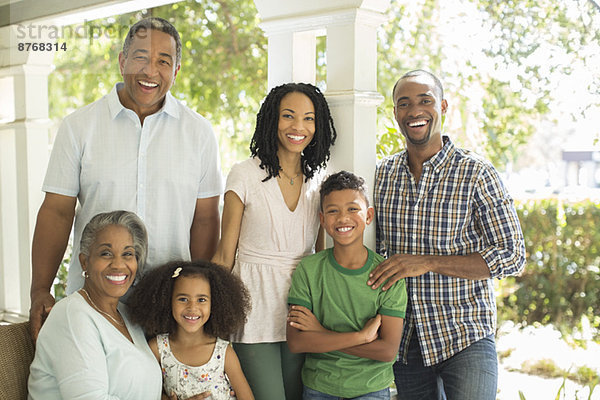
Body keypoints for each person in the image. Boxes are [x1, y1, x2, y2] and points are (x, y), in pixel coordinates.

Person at [29, 17, 223, 341]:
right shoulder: (79, 127)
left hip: (169, 307)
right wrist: (39, 290)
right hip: (93, 304)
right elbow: (56, 212)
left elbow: (204, 220)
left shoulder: (199, 133)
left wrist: (197, 296)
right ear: (122, 62)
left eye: (164, 61)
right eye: (141, 58)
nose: (151, 71)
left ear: (176, 71)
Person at [370, 69, 526, 400]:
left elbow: (512, 255)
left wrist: (427, 262)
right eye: (404, 103)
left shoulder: (476, 174)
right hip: (406, 342)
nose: (414, 111)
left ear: (442, 106)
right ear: (396, 112)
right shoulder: (381, 176)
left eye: (424, 100)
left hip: (464, 334)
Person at [211, 82, 337, 400]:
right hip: (251, 308)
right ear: (272, 119)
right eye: (288, 116)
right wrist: (206, 315)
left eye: (309, 118)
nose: (298, 127)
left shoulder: (320, 180)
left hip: (301, 309)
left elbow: (323, 255)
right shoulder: (244, 174)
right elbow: (225, 255)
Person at [286, 171, 407, 399]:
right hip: (319, 387)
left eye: (353, 209)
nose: (343, 218)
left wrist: (321, 334)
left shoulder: (388, 275)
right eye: (333, 211)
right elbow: (297, 341)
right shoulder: (309, 270)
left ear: (369, 216)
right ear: (322, 220)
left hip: (371, 389)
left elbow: (387, 351)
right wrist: (360, 337)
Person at [28, 210, 162, 399]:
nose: (118, 264)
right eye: (106, 253)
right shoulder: (72, 314)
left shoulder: (127, 316)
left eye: (128, 254)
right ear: (85, 262)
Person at [127, 261, 253, 400]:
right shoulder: (158, 349)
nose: (192, 307)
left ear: (215, 304)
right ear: (167, 301)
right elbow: (145, 392)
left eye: (201, 299)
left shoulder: (223, 353)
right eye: (183, 299)